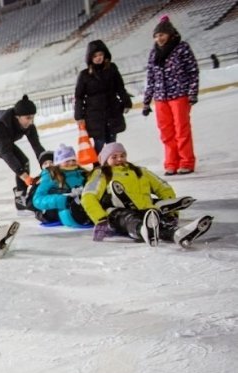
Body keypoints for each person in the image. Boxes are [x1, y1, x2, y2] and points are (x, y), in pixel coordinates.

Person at [81, 142, 212, 247]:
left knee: (159, 221)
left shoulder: (140, 171)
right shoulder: (102, 173)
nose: (120, 159)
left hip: (146, 210)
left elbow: (163, 188)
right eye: (114, 157)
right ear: (105, 160)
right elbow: (88, 196)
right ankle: (143, 229)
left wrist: (173, 214)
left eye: (122, 155)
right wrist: (100, 219)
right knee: (130, 219)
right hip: (116, 212)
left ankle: (176, 233)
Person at [142, 16, 200, 175]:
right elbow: (151, 78)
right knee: (166, 132)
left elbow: (193, 71)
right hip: (161, 97)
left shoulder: (182, 48)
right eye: (156, 35)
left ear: (170, 34)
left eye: (162, 34)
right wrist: (147, 102)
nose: (159, 38)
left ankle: (186, 161)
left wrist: (192, 92)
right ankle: (171, 163)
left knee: (181, 129)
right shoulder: (154, 53)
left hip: (179, 94)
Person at [74, 40, 133, 154]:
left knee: (112, 142)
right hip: (94, 115)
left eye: (100, 54)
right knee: (99, 142)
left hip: (112, 111)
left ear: (105, 54)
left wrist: (126, 102)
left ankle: (112, 165)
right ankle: (98, 167)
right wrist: (79, 116)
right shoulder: (85, 75)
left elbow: (120, 87)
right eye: (95, 56)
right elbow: (79, 96)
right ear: (90, 57)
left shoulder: (112, 69)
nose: (98, 58)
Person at [31, 144, 92, 228]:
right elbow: (37, 199)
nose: (71, 163)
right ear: (58, 163)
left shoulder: (82, 173)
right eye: (67, 161)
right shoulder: (51, 176)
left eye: (73, 160)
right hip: (56, 211)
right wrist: (63, 200)